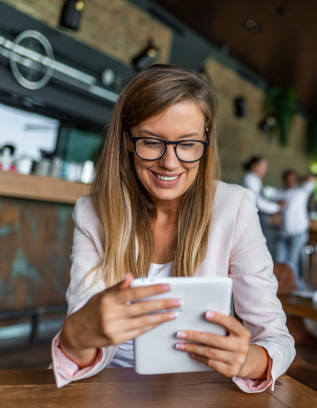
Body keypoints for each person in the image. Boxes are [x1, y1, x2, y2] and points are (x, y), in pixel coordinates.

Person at [51, 66, 295, 392]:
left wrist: (248, 359)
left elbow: (277, 337)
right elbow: (77, 351)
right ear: (127, 139)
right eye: (152, 142)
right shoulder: (92, 212)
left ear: (206, 138)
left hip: (196, 392)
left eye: (188, 143)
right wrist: (79, 332)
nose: (170, 162)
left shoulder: (234, 207)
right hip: (106, 388)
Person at [275, 170, 315, 289]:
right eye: (288, 179)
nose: (290, 182)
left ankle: (295, 289)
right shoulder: (280, 193)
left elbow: (312, 178)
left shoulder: (302, 191)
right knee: (279, 261)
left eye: (292, 179)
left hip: (298, 234)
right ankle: (282, 288)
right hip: (284, 234)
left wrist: (298, 178)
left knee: (291, 263)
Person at [241, 156, 283, 257]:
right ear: (254, 166)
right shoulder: (250, 179)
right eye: (263, 167)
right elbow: (257, 202)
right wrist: (277, 207)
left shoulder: (255, 179)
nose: (266, 170)